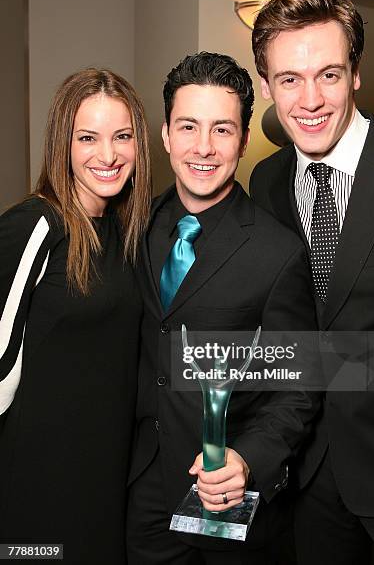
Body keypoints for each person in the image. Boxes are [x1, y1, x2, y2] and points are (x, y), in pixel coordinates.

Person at [249, 0, 374, 565]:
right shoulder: (267, 183)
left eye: (329, 74)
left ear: (356, 76)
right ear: (268, 88)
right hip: (310, 479)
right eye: (289, 80)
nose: (310, 99)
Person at [126, 52, 319, 565]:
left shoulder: (277, 254)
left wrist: (248, 460)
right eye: (188, 126)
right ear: (165, 135)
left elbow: (299, 387)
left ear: (244, 138)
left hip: (225, 504)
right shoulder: (135, 228)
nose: (204, 148)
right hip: (139, 494)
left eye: (222, 129)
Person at [0, 68, 151, 564]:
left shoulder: (128, 232)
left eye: (121, 136)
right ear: (62, 144)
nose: (107, 155)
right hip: (36, 488)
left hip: (104, 481)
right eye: (87, 137)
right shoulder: (34, 225)